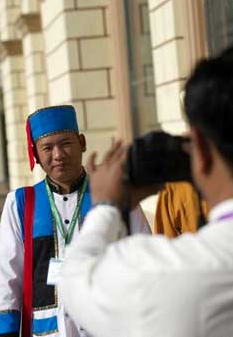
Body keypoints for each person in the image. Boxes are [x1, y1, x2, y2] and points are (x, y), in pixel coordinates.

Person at [58, 48, 233, 336]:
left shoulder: (167, 273)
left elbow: (77, 279)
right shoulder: (22, 202)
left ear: (199, 148)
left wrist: (105, 207)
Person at [0, 105, 150, 337]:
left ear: (82, 143)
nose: (58, 155)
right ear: (35, 154)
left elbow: (143, 258)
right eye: (47, 147)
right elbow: (8, 275)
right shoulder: (20, 204)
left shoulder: (114, 195)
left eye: (66, 143)